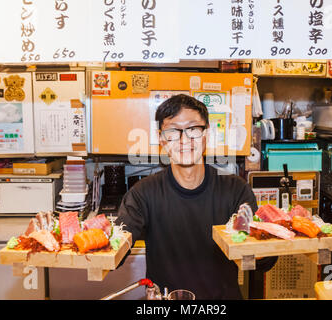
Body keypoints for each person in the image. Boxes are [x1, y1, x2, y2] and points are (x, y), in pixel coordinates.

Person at [115, 94, 277, 300]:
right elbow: (116, 251)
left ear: (207, 134)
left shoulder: (235, 189)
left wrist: (263, 241)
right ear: (162, 139)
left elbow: (262, 263)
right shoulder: (143, 193)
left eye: (193, 129)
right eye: (173, 131)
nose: (184, 140)